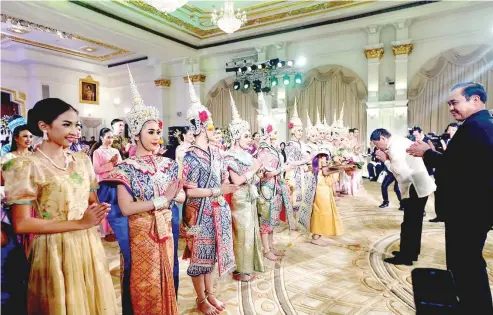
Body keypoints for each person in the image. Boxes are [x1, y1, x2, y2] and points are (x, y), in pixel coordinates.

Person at [3, 98, 117, 315]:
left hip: (87, 243)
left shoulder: (81, 160)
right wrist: (79, 222)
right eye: (66, 124)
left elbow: (90, 199)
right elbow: (22, 223)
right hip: (53, 247)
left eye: (77, 125)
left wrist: (99, 208)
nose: (75, 131)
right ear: (43, 126)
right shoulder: (25, 165)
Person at [100, 68, 182, 314]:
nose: (157, 137)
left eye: (158, 132)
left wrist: (177, 196)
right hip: (140, 236)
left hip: (165, 231)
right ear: (135, 133)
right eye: (151, 132)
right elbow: (126, 208)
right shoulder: (125, 168)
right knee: (143, 285)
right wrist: (164, 199)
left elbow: (179, 195)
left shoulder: (169, 164)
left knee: (167, 277)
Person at [407, 82, 493, 314]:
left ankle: (475, 307)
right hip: (475, 208)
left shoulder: (477, 127)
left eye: (454, 102)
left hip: (469, 210)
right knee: (468, 263)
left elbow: (456, 168)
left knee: (466, 264)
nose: (451, 108)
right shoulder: (482, 124)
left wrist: (427, 152)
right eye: (449, 104)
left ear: (475, 99)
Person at [181, 77, 237, 315]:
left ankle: (211, 293)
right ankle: (200, 298)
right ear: (200, 127)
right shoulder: (190, 157)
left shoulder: (216, 153)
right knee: (199, 259)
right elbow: (189, 191)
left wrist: (225, 183)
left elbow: (222, 179)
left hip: (216, 210)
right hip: (199, 213)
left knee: (211, 256)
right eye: (211, 124)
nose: (215, 128)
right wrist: (218, 190)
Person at [371, 128, 436, 266]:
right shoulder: (399, 140)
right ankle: (411, 253)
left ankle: (406, 257)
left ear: (383, 138)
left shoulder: (394, 147)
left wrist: (385, 160)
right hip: (418, 184)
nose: (378, 148)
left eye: (377, 144)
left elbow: (401, 171)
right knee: (413, 223)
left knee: (409, 224)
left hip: (415, 187)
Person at [223, 91, 264, 282]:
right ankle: (239, 269)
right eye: (246, 135)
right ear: (236, 136)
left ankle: (248, 266)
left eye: (249, 135)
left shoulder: (247, 156)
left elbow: (251, 177)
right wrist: (253, 170)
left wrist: (257, 174)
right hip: (239, 199)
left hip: (250, 196)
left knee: (251, 232)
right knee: (241, 234)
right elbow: (237, 180)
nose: (250, 139)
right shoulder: (230, 156)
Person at [256, 92, 295, 262]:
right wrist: (281, 170)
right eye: (273, 132)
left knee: (271, 221)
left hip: (275, 188)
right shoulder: (263, 150)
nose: (275, 135)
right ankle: (266, 249)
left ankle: (271, 246)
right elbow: (265, 173)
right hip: (266, 189)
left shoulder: (273, 149)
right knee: (265, 221)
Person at [285, 100, 314, 231]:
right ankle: (294, 222)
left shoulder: (302, 144)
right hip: (294, 173)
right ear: (293, 131)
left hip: (303, 173)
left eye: (302, 130)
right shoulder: (290, 145)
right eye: (298, 130)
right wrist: (306, 159)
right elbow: (291, 162)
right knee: (295, 198)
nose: (300, 132)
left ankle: (302, 221)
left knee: (303, 197)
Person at [92, 128, 121, 240]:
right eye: (108, 137)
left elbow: (121, 166)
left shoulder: (115, 151)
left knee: (115, 205)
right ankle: (106, 232)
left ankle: (114, 229)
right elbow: (96, 169)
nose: (110, 140)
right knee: (105, 207)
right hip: (103, 182)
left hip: (115, 181)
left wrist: (117, 165)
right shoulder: (97, 152)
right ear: (101, 138)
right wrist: (111, 164)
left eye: (112, 137)